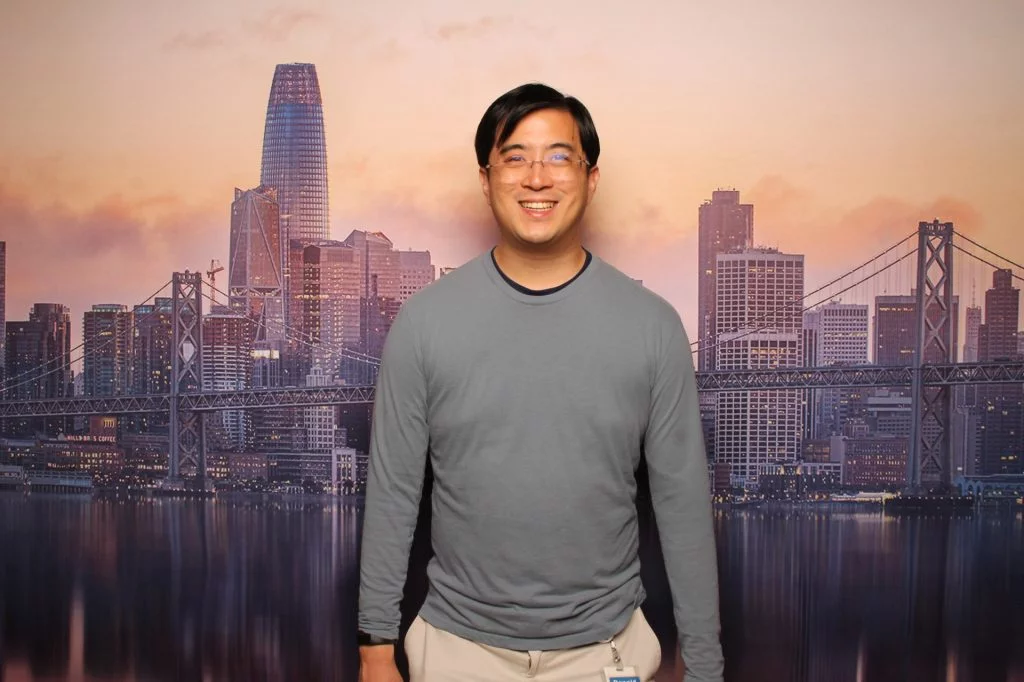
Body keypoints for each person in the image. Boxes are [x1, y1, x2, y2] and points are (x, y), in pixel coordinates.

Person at [357, 82, 723, 682]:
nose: (536, 178)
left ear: (591, 178)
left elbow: (682, 503)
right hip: (454, 652)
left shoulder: (653, 327)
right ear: (486, 179)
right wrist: (375, 648)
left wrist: (705, 668)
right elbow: (392, 491)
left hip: (607, 653)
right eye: (515, 157)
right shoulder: (423, 323)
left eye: (558, 156)